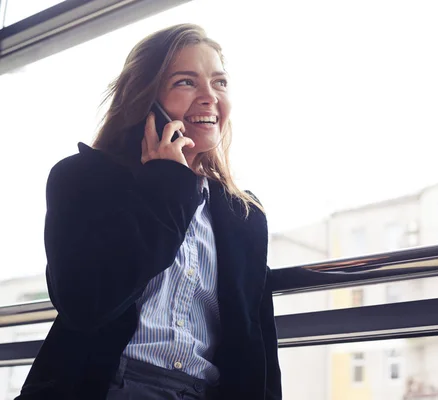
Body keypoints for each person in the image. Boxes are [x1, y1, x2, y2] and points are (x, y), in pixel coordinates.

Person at [16, 23, 281, 400]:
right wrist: (166, 184)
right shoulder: (80, 178)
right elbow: (87, 303)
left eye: (220, 82)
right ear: (145, 98)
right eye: (186, 82)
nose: (209, 97)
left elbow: (258, 346)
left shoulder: (245, 215)